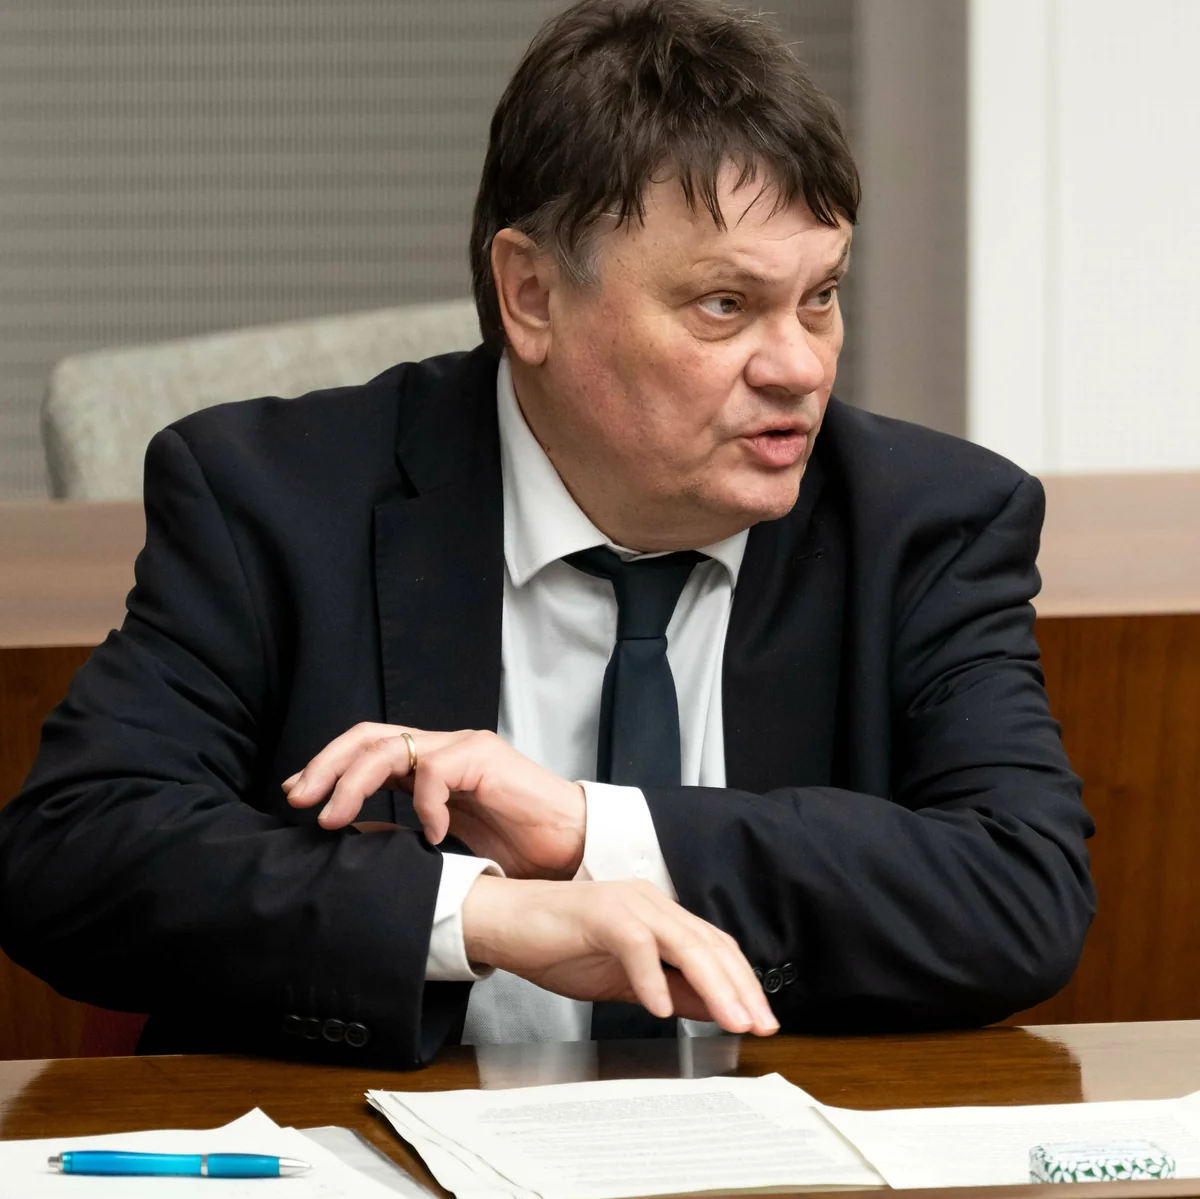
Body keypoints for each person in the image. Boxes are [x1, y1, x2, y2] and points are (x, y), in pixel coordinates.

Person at [0, 0, 1094, 1068]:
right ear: (531, 295)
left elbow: (1023, 889)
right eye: (724, 305)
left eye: (819, 297)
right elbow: (74, 849)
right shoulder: (276, 501)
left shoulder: (925, 521)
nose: (800, 365)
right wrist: (477, 914)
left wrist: (590, 832)